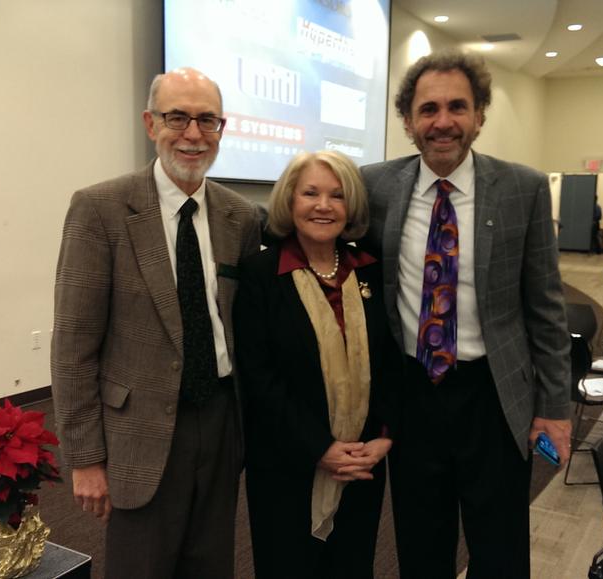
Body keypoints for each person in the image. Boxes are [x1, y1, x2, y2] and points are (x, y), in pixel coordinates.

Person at [359, 50, 572, 578]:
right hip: (413, 396)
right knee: (421, 546)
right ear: (408, 121)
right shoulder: (374, 186)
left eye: (458, 106)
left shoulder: (522, 189)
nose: (443, 121)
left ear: (479, 115)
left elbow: (546, 308)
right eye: (428, 109)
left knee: (499, 551)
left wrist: (554, 408)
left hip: (495, 398)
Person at [50, 68, 261, 578]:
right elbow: (74, 345)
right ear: (150, 124)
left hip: (221, 420)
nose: (193, 134)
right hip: (137, 427)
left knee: (211, 564)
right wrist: (85, 459)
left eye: (207, 120)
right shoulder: (100, 209)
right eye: (177, 118)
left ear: (222, 128)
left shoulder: (241, 217)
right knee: (140, 567)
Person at [233, 151, 398, 579]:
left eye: (336, 195)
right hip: (287, 465)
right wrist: (320, 448)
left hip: (361, 463)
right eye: (310, 193)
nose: (323, 206)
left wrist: (383, 437)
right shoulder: (260, 275)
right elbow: (259, 378)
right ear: (290, 200)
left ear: (351, 206)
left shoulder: (372, 271)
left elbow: (392, 364)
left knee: (352, 566)